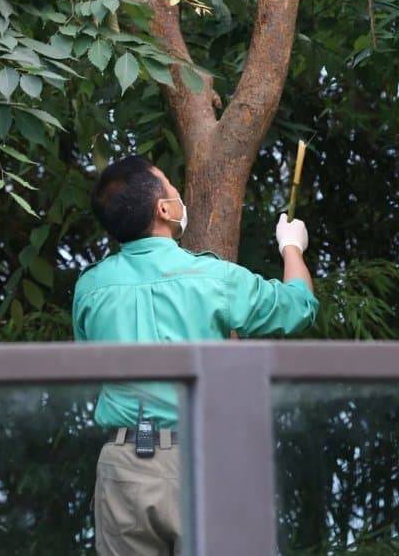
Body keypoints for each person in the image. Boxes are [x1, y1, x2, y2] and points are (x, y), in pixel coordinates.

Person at [73, 155, 318, 556]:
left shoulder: (90, 288)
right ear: (164, 209)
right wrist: (292, 247)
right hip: (206, 462)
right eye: (171, 186)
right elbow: (298, 309)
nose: (178, 193)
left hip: (123, 466)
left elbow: (88, 368)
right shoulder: (212, 278)